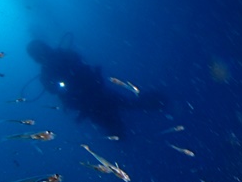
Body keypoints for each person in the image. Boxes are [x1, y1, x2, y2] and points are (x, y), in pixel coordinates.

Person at [27, 39, 163, 138]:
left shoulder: (53, 65)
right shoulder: (56, 63)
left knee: (119, 121)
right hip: (93, 98)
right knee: (124, 114)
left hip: (92, 100)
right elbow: (55, 88)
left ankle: (157, 103)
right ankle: (158, 102)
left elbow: (56, 88)